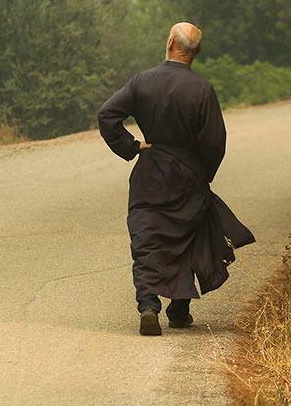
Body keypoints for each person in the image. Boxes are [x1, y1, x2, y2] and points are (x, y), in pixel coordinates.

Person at [97, 22, 254, 336]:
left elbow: (107, 114)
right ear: (197, 52)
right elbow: (214, 141)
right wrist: (201, 174)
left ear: (170, 43)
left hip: (150, 173)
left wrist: (132, 146)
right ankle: (179, 311)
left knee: (147, 238)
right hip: (188, 174)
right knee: (186, 238)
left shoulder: (143, 81)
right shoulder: (202, 89)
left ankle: (148, 304)